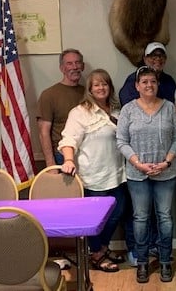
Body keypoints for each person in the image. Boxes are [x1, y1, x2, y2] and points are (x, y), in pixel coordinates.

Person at [117, 66, 176, 283]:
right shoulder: (128, 110)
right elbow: (121, 141)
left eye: (152, 81)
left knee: (165, 217)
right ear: (137, 86)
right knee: (141, 218)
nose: (149, 85)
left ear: (157, 84)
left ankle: (165, 261)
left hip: (166, 172)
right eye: (144, 81)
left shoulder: (169, 108)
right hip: (138, 174)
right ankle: (143, 262)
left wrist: (167, 161)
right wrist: (138, 163)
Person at [59, 69, 126, 272]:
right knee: (95, 219)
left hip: (118, 174)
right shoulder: (79, 113)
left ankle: (101, 249)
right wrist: (69, 159)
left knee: (117, 213)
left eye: (104, 84)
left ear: (110, 87)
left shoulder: (117, 111)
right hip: (93, 176)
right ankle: (97, 253)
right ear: (89, 89)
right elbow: (69, 139)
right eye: (96, 84)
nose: (101, 88)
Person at [36, 48, 85, 169]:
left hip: (87, 154)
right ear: (62, 68)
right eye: (69, 63)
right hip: (62, 156)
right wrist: (50, 164)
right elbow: (43, 133)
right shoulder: (49, 95)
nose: (74, 67)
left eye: (78, 62)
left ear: (82, 66)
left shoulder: (89, 93)